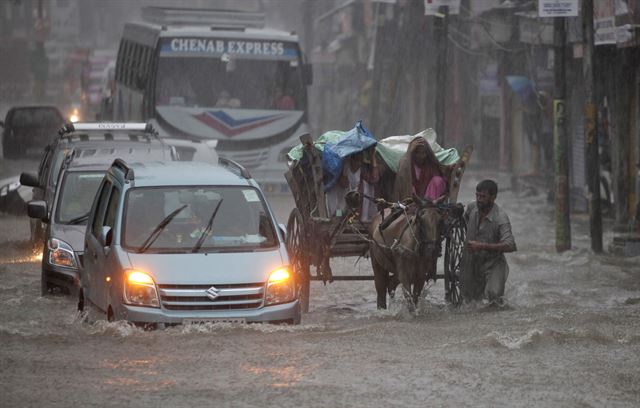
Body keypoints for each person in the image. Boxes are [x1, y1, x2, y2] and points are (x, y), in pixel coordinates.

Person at [460, 180, 517, 306]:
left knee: (494, 296)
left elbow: (510, 245)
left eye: (483, 197)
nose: (479, 199)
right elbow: (463, 222)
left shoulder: (500, 217)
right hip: (472, 261)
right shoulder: (471, 207)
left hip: (493, 262)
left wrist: (481, 246)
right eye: (477, 195)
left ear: (493, 197)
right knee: (468, 300)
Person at [394, 136, 447, 202]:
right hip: (413, 202)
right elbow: (402, 176)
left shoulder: (430, 165)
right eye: (417, 153)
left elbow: (441, 173)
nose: (421, 156)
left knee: (438, 180)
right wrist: (409, 152)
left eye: (423, 153)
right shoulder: (408, 164)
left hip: (430, 202)